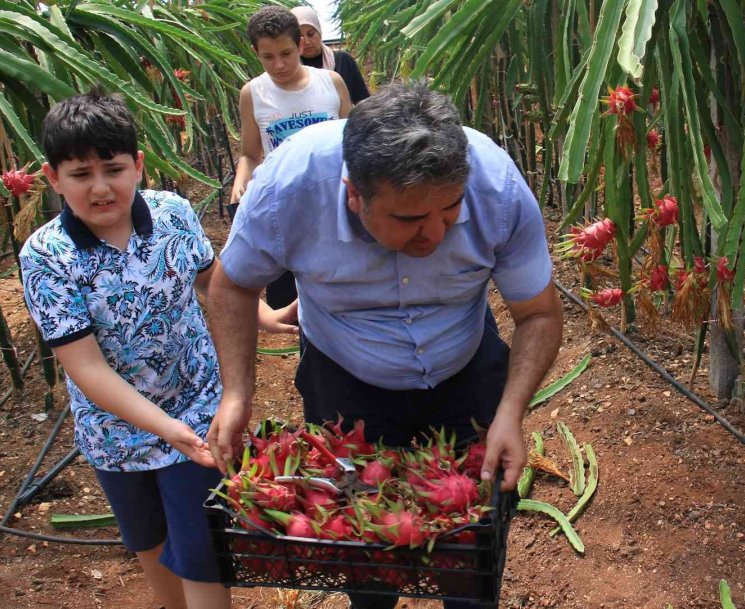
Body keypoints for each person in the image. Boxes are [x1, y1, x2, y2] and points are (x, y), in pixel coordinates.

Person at [206, 82, 563, 609]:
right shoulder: (288, 189)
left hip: (465, 366)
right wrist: (237, 393)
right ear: (354, 194)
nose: (435, 234)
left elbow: (538, 313)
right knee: (363, 554)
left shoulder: (497, 187)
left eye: (450, 209)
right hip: (344, 376)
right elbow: (232, 286)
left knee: (470, 557)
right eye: (409, 219)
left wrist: (510, 412)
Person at [19, 90, 295, 609]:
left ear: (139, 165)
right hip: (114, 431)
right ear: (53, 177)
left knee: (203, 548)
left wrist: (267, 317)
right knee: (149, 541)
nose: (101, 188)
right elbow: (87, 368)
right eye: (80, 174)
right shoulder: (47, 256)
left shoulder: (173, 214)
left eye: (113, 169)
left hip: (198, 410)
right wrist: (165, 429)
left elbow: (211, 282)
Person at [230, 5, 352, 309]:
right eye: (268, 57)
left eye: (286, 53)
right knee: (287, 295)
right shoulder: (252, 93)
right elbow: (250, 153)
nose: (279, 65)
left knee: (338, 285)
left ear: (300, 44)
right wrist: (241, 182)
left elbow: (354, 142)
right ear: (256, 53)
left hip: (333, 202)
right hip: (285, 206)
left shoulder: (331, 82)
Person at [291, 6, 370, 104]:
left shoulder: (343, 61)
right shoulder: (291, 69)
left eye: (311, 34)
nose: (307, 42)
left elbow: (363, 101)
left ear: (319, 32)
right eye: (300, 37)